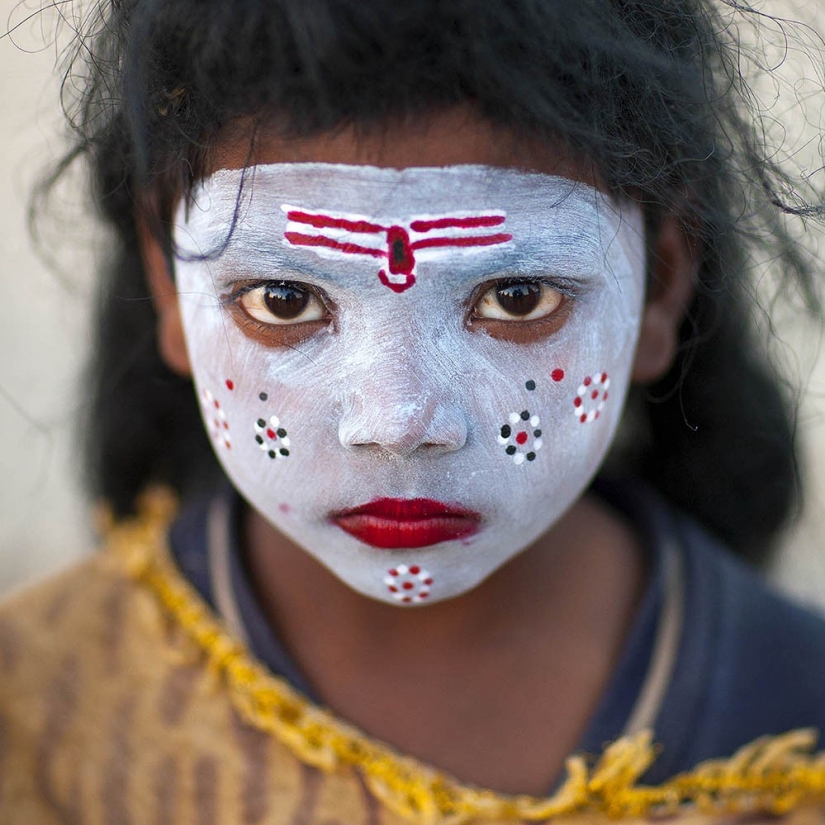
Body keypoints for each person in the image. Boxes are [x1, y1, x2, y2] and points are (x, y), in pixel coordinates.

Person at [2, 0, 825, 822]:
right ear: (168, 284)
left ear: (660, 281)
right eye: (284, 300)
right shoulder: (32, 715)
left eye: (516, 296)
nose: (398, 421)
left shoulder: (798, 720)